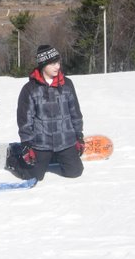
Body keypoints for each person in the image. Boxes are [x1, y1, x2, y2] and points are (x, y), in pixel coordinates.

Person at [7, 45, 85, 182]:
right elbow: (25, 120)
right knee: (33, 177)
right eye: (53, 63)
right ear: (43, 64)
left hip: (65, 141)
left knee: (75, 172)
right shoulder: (30, 89)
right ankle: (14, 157)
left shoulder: (67, 84)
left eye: (58, 62)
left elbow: (75, 112)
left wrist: (78, 135)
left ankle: (56, 157)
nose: (57, 66)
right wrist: (26, 143)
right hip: (41, 143)